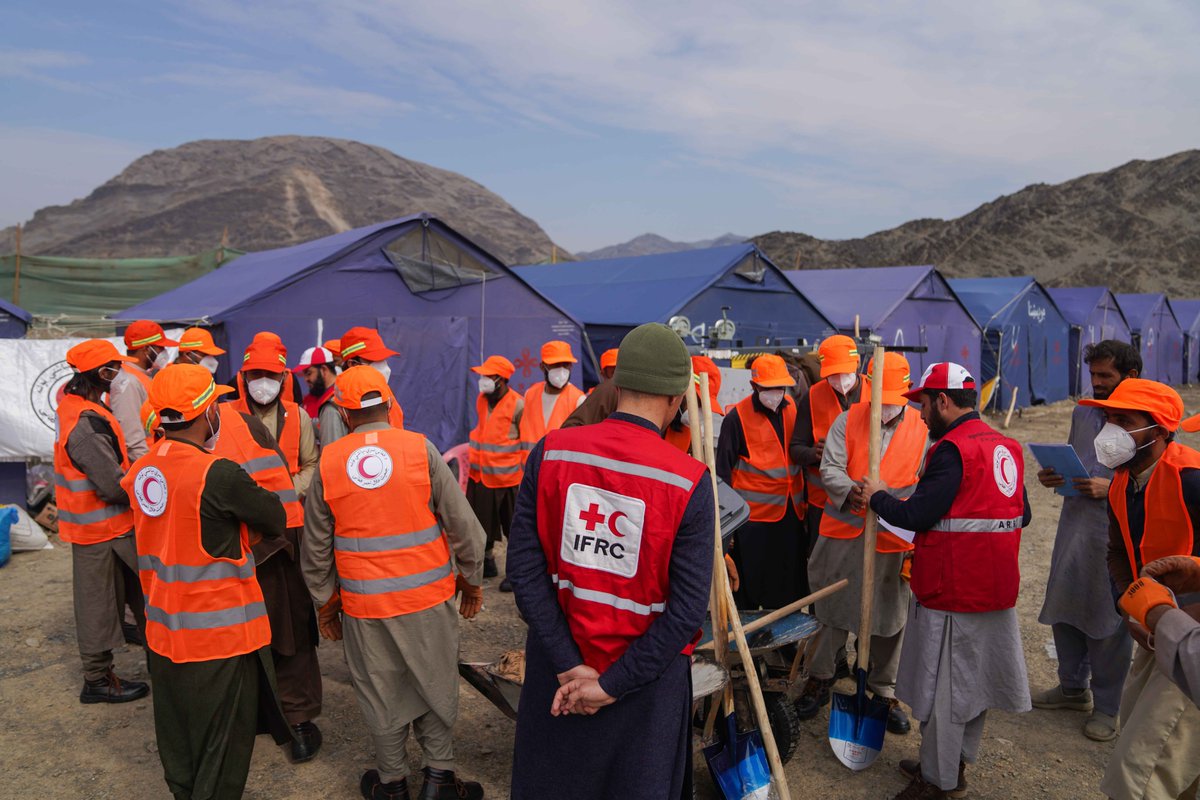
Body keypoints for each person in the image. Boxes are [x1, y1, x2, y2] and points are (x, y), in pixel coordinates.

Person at [507, 323, 714, 800]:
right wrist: (612, 684)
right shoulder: (688, 481)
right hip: (644, 690)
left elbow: (523, 569)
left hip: (558, 677)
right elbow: (685, 613)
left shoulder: (552, 452)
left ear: (615, 386)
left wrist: (568, 666)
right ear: (677, 400)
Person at [302, 366, 486, 800]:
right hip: (428, 601)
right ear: (388, 403)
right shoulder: (419, 450)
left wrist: (326, 603)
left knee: (380, 690)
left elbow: (314, 548)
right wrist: (472, 580)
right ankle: (439, 780)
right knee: (434, 680)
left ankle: (393, 784)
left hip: (365, 609)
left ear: (344, 414)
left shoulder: (329, 463)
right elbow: (465, 526)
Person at [860, 362, 1032, 800]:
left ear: (942, 401)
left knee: (945, 691)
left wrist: (876, 497)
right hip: (993, 588)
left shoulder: (952, 450)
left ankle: (938, 782)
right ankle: (949, 764)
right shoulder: (1005, 446)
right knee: (968, 686)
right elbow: (1023, 514)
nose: (918, 412)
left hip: (953, 589)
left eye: (922, 402)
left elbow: (917, 514)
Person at [122, 364, 291, 800]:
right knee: (223, 750)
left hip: (163, 633)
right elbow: (274, 515)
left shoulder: (142, 469)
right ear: (206, 412)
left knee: (180, 743)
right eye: (216, 403)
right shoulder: (216, 472)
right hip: (219, 638)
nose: (220, 409)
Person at [1074, 379, 1200, 800]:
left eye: (1124, 421)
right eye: (1108, 419)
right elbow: (1117, 551)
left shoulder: (1192, 479)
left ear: (1161, 430)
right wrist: (1129, 604)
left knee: (1141, 771)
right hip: (1154, 635)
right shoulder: (1121, 483)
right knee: (1170, 760)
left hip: (1192, 642)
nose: (1110, 431)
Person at [797, 351, 926, 732]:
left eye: (893, 401)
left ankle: (884, 691)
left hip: (892, 540)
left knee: (890, 617)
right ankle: (821, 676)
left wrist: (893, 503)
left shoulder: (922, 428)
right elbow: (829, 467)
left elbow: (924, 483)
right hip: (842, 534)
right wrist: (850, 491)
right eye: (880, 399)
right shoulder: (847, 419)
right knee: (830, 608)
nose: (885, 408)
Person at [219, 339, 324, 761]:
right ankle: (253, 711)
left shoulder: (298, 416)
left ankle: (297, 714)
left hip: (290, 532)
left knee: (293, 625)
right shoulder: (222, 415)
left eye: (272, 375)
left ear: (284, 377)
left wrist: (288, 494)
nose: (264, 383)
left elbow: (312, 464)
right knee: (242, 627)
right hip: (239, 536)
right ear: (243, 376)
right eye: (255, 375)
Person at [1033, 340, 1141, 742]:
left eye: (1104, 376)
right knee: (1067, 600)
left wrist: (1111, 486)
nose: (1095, 383)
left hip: (1117, 530)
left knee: (1109, 616)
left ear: (1129, 376)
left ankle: (1109, 706)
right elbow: (1075, 458)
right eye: (1092, 375)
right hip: (1074, 522)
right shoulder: (1082, 413)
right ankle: (1072, 687)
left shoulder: (1147, 418)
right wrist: (1053, 475)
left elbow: (1156, 477)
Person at [54, 339, 150, 704]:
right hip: (100, 529)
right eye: (112, 368)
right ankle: (96, 680)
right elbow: (111, 485)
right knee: (97, 605)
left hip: (111, 527)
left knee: (141, 593)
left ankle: (161, 658)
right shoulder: (83, 423)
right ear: (97, 373)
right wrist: (147, 488)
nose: (117, 374)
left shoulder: (84, 407)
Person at [717, 353, 807, 609]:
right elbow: (722, 473)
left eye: (780, 387)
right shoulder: (736, 419)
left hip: (790, 515)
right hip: (752, 521)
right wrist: (727, 526)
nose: (775, 393)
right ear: (755, 386)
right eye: (769, 388)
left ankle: (786, 645)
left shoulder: (792, 408)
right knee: (750, 585)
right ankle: (749, 641)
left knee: (788, 584)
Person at [791, 335, 863, 545]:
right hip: (823, 504)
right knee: (823, 569)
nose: (840, 379)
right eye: (833, 374)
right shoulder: (812, 397)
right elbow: (795, 448)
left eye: (845, 372)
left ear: (857, 363)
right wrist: (814, 454)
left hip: (864, 502)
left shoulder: (875, 394)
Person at [466, 355, 525, 591]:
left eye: (488, 376)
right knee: (481, 525)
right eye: (482, 375)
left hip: (508, 478)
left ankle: (516, 573)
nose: (483, 380)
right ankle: (488, 564)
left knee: (514, 529)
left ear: (501, 379)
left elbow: (525, 438)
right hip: (480, 475)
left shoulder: (518, 404)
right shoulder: (481, 400)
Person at [1121, 555, 1200, 707]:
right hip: (1164, 644)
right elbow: (1118, 550)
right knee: (1134, 707)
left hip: (1185, 674)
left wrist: (1159, 615)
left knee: (1149, 724)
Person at [110, 320, 178, 461]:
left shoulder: (139, 377)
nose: (164, 352)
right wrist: (149, 469)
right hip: (145, 466)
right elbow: (131, 439)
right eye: (160, 348)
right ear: (146, 349)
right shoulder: (128, 382)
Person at [518, 340, 585, 457]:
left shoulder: (579, 400)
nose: (561, 370)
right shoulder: (530, 394)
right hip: (529, 470)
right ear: (542, 367)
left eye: (566, 364)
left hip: (558, 471)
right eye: (555, 364)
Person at [339, 326, 405, 431]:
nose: (384, 367)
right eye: (375, 360)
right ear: (352, 364)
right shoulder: (341, 404)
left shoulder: (386, 393)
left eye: (383, 360)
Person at [296, 345, 338, 422]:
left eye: (309, 373)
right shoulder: (308, 400)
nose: (305, 379)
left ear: (324, 370)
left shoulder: (341, 397)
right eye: (304, 375)